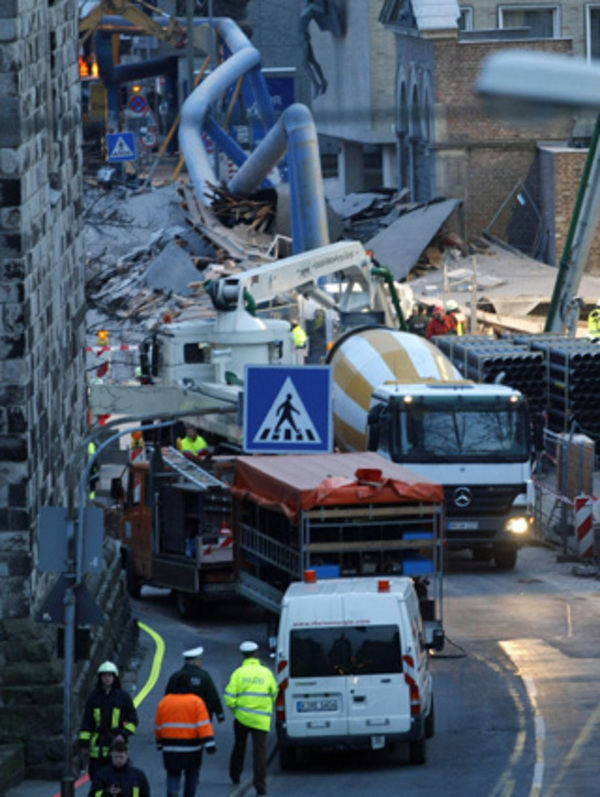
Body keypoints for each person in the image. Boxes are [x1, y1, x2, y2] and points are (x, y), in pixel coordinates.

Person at [224, 641, 278, 796]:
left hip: (241, 717)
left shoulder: (238, 673)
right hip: (261, 719)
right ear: (256, 654)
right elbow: (274, 692)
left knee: (239, 745)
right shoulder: (266, 673)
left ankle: (235, 775)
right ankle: (260, 786)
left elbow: (229, 697)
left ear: (244, 655)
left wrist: (236, 710)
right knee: (260, 752)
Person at [154, 672, 216, 797]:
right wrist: (210, 744)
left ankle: (173, 793)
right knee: (191, 777)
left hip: (170, 748)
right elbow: (203, 725)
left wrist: (160, 742)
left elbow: (158, 725)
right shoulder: (196, 702)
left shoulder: (165, 702)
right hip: (192, 749)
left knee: (173, 774)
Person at [78, 661, 138, 779]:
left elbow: (133, 721)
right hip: (97, 747)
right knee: (97, 779)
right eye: (104, 676)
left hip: (117, 744)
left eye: (109, 676)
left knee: (118, 778)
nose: (107, 679)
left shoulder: (123, 697)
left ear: (114, 677)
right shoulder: (93, 697)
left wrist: (123, 735)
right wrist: (84, 744)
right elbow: (87, 723)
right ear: (100, 678)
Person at [165, 647, 225, 724]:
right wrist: (220, 714)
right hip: (201, 717)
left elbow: (167, 698)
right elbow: (213, 697)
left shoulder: (175, 676)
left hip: (180, 717)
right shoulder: (204, 676)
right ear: (196, 661)